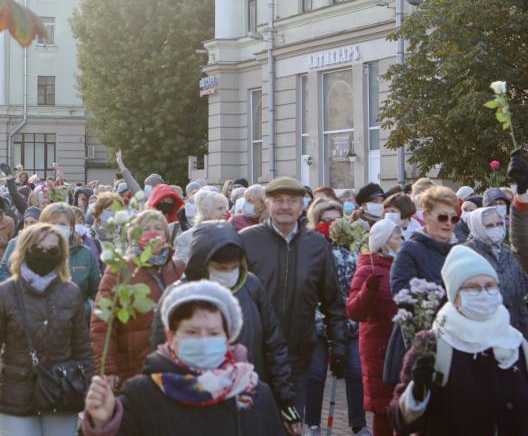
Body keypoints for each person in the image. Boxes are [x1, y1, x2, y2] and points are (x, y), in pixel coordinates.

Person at [149, 221, 298, 432]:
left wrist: (286, 401)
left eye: (234, 268)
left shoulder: (252, 287)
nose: (228, 274)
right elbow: (161, 359)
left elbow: (274, 346)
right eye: (220, 268)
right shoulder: (176, 297)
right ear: (202, 264)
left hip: (248, 403)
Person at [81, 281, 283, 435]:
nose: (203, 341)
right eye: (192, 332)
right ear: (170, 337)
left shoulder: (255, 393)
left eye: (213, 333)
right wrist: (102, 424)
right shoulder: (142, 394)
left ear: (228, 338)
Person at [0, 222, 93, 436]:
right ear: (24, 250)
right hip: (17, 394)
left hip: (61, 392)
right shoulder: (5, 293)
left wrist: (92, 394)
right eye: (37, 248)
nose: (44, 254)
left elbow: (82, 349)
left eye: (52, 250)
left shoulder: (71, 293)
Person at [389, 246, 528, 434]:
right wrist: (417, 392)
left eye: (490, 286)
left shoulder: (516, 342)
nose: (484, 294)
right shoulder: (433, 344)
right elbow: (401, 421)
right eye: (473, 287)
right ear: (455, 297)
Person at [238, 177, 347, 416]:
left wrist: (338, 344)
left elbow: (332, 300)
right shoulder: (247, 240)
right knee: (255, 425)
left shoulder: (317, 244)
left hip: (298, 354)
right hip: (255, 353)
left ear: (302, 207)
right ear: (267, 204)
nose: (285, 206)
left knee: (292, 421)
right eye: (278, 200)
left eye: (292, 201)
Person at [89, 211, 185, 387]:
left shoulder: (177, 267)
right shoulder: (119, 270)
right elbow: (102, 325)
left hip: (175, 366)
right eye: (146, 229)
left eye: (158, 228)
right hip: (135, 369)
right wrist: (107, 369)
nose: (153, 233)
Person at [304, 196, 368, 436]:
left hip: (349, 318)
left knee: (354, 370)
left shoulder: (354, 244)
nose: (331, 223)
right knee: (316, 373)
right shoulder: (312, 246)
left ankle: (358, 424)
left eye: (336, 218)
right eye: (325, 219)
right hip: (320, 320)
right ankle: (312, 423)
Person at [384, 185, 457, 385]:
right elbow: (401, 294)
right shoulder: (411, 250)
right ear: (426, 216)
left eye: (454, 218)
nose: (448, 223)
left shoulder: (460, 250)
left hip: (455, 342)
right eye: (442, 217)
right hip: (418, 342)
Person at [347, 218, 402, 436]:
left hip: (399, 344)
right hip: (379, 348)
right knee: (384, 409)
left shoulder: (401, 265)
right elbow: (354, 311)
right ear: (384, 242)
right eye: (396, 237)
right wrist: (368, 290)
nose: (401, 241)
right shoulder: (367, 269)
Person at [463, 206, 528, 338]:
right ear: (477, 227)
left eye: (499, 224)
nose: (496, 229)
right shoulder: (467, 254)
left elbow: (523, 284)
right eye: (489, 226)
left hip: (519, 328)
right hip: (488, 333)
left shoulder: (508, 251)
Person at [40, 202, 100, 319]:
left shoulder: (86, 254)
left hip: (77, 325)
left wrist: (83, 310)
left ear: (71, 228)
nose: (57, 228)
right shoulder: (31, 253)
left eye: (62, 224)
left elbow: (97, 292)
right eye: (52, 224)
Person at [172, 188, 228, 265]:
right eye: (220, 209)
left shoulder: (227, 234)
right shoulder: (187, 238)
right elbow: (180, 268)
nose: (225, 213)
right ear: (205, 211)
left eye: (225, 209)